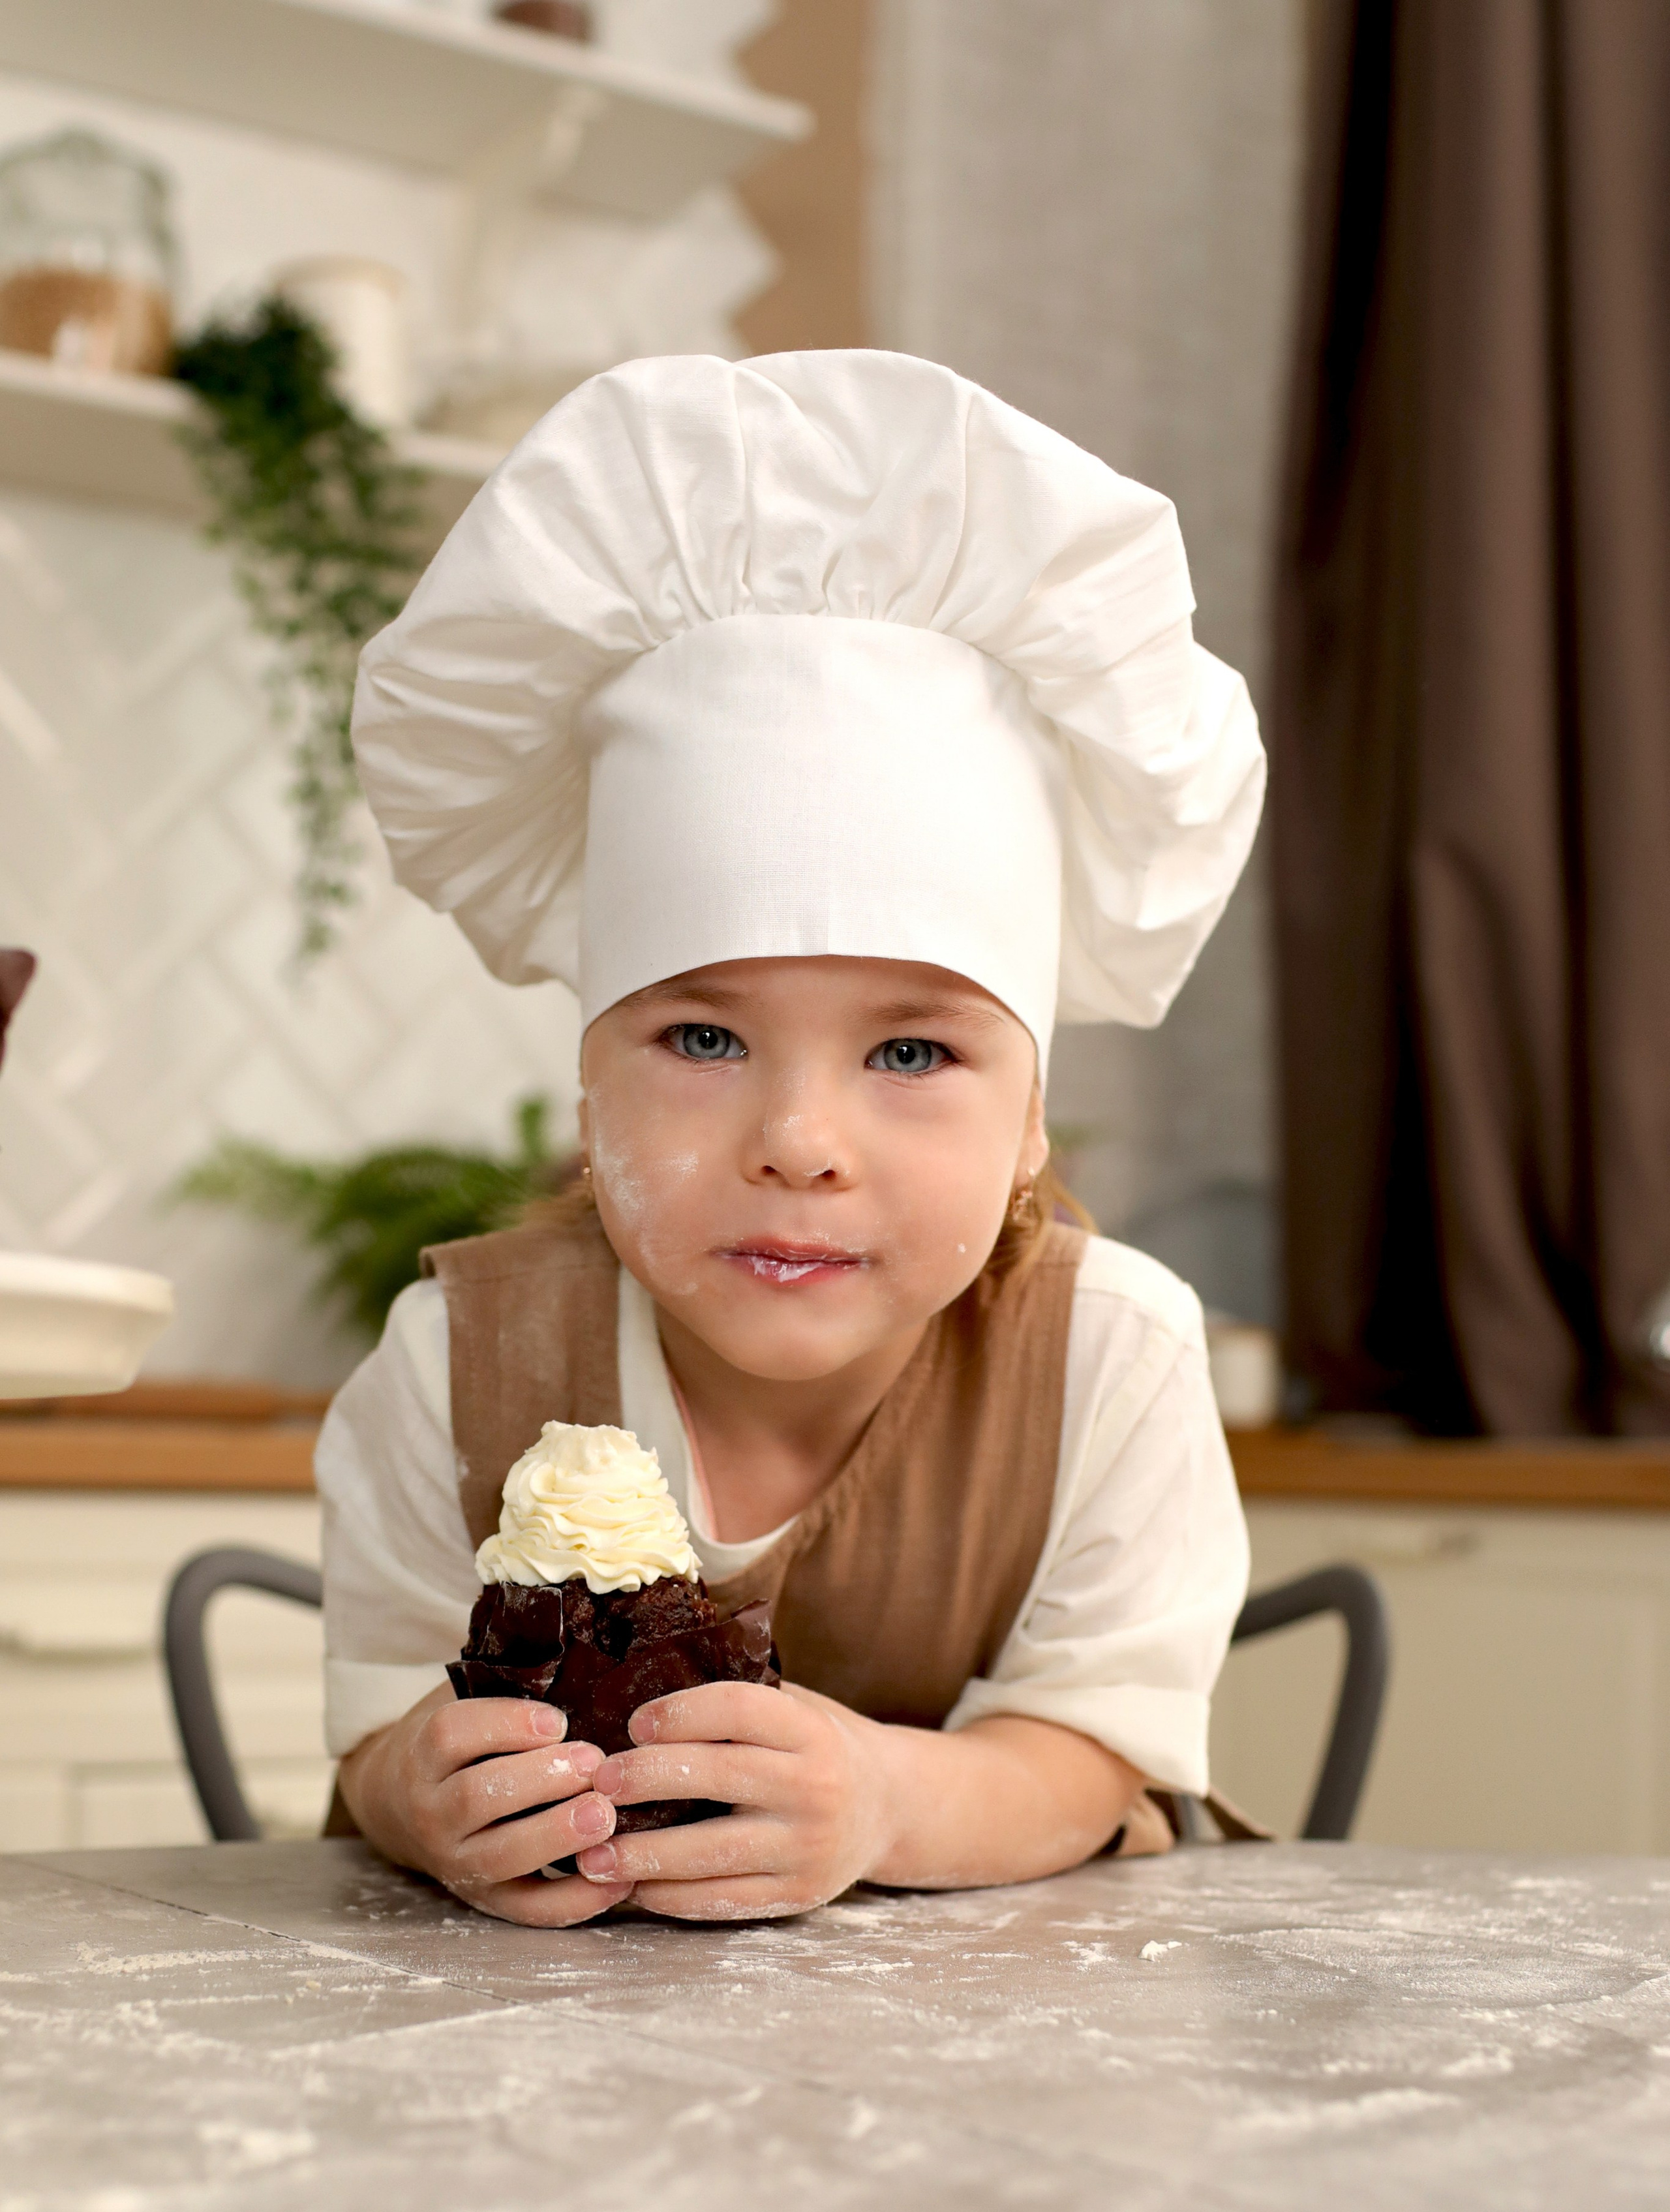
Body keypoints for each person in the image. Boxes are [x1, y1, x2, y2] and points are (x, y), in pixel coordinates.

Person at [320, 349, 1265, 1929]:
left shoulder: (1111, 1357)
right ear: (584, 1085)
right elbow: (374, 1734)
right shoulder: (451, 1362)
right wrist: (423, 1797)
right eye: (701, 1038)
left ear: (1028, 1121)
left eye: (911, 1049)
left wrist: (883, 1797)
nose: (799, 1140)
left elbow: (1093, 1751)